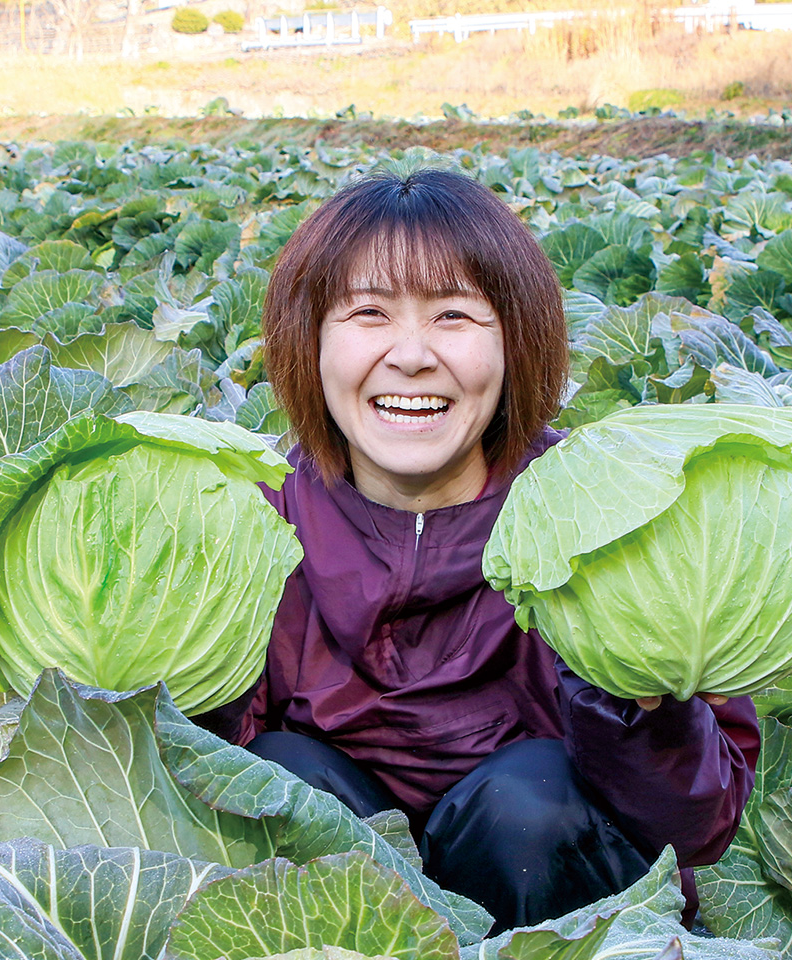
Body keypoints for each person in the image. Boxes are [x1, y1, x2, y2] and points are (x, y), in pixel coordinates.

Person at [233, 167, 759, 933]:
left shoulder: (609, 513)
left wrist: (643, 703)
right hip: (336, 931)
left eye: (453, 315)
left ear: (517, 339)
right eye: (369, 313)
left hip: (561, 908)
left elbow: (698, 825)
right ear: (308, 341)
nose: (410, 355)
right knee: (278, 775)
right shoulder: (249, 522)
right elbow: (186, 775)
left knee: (529, 803)